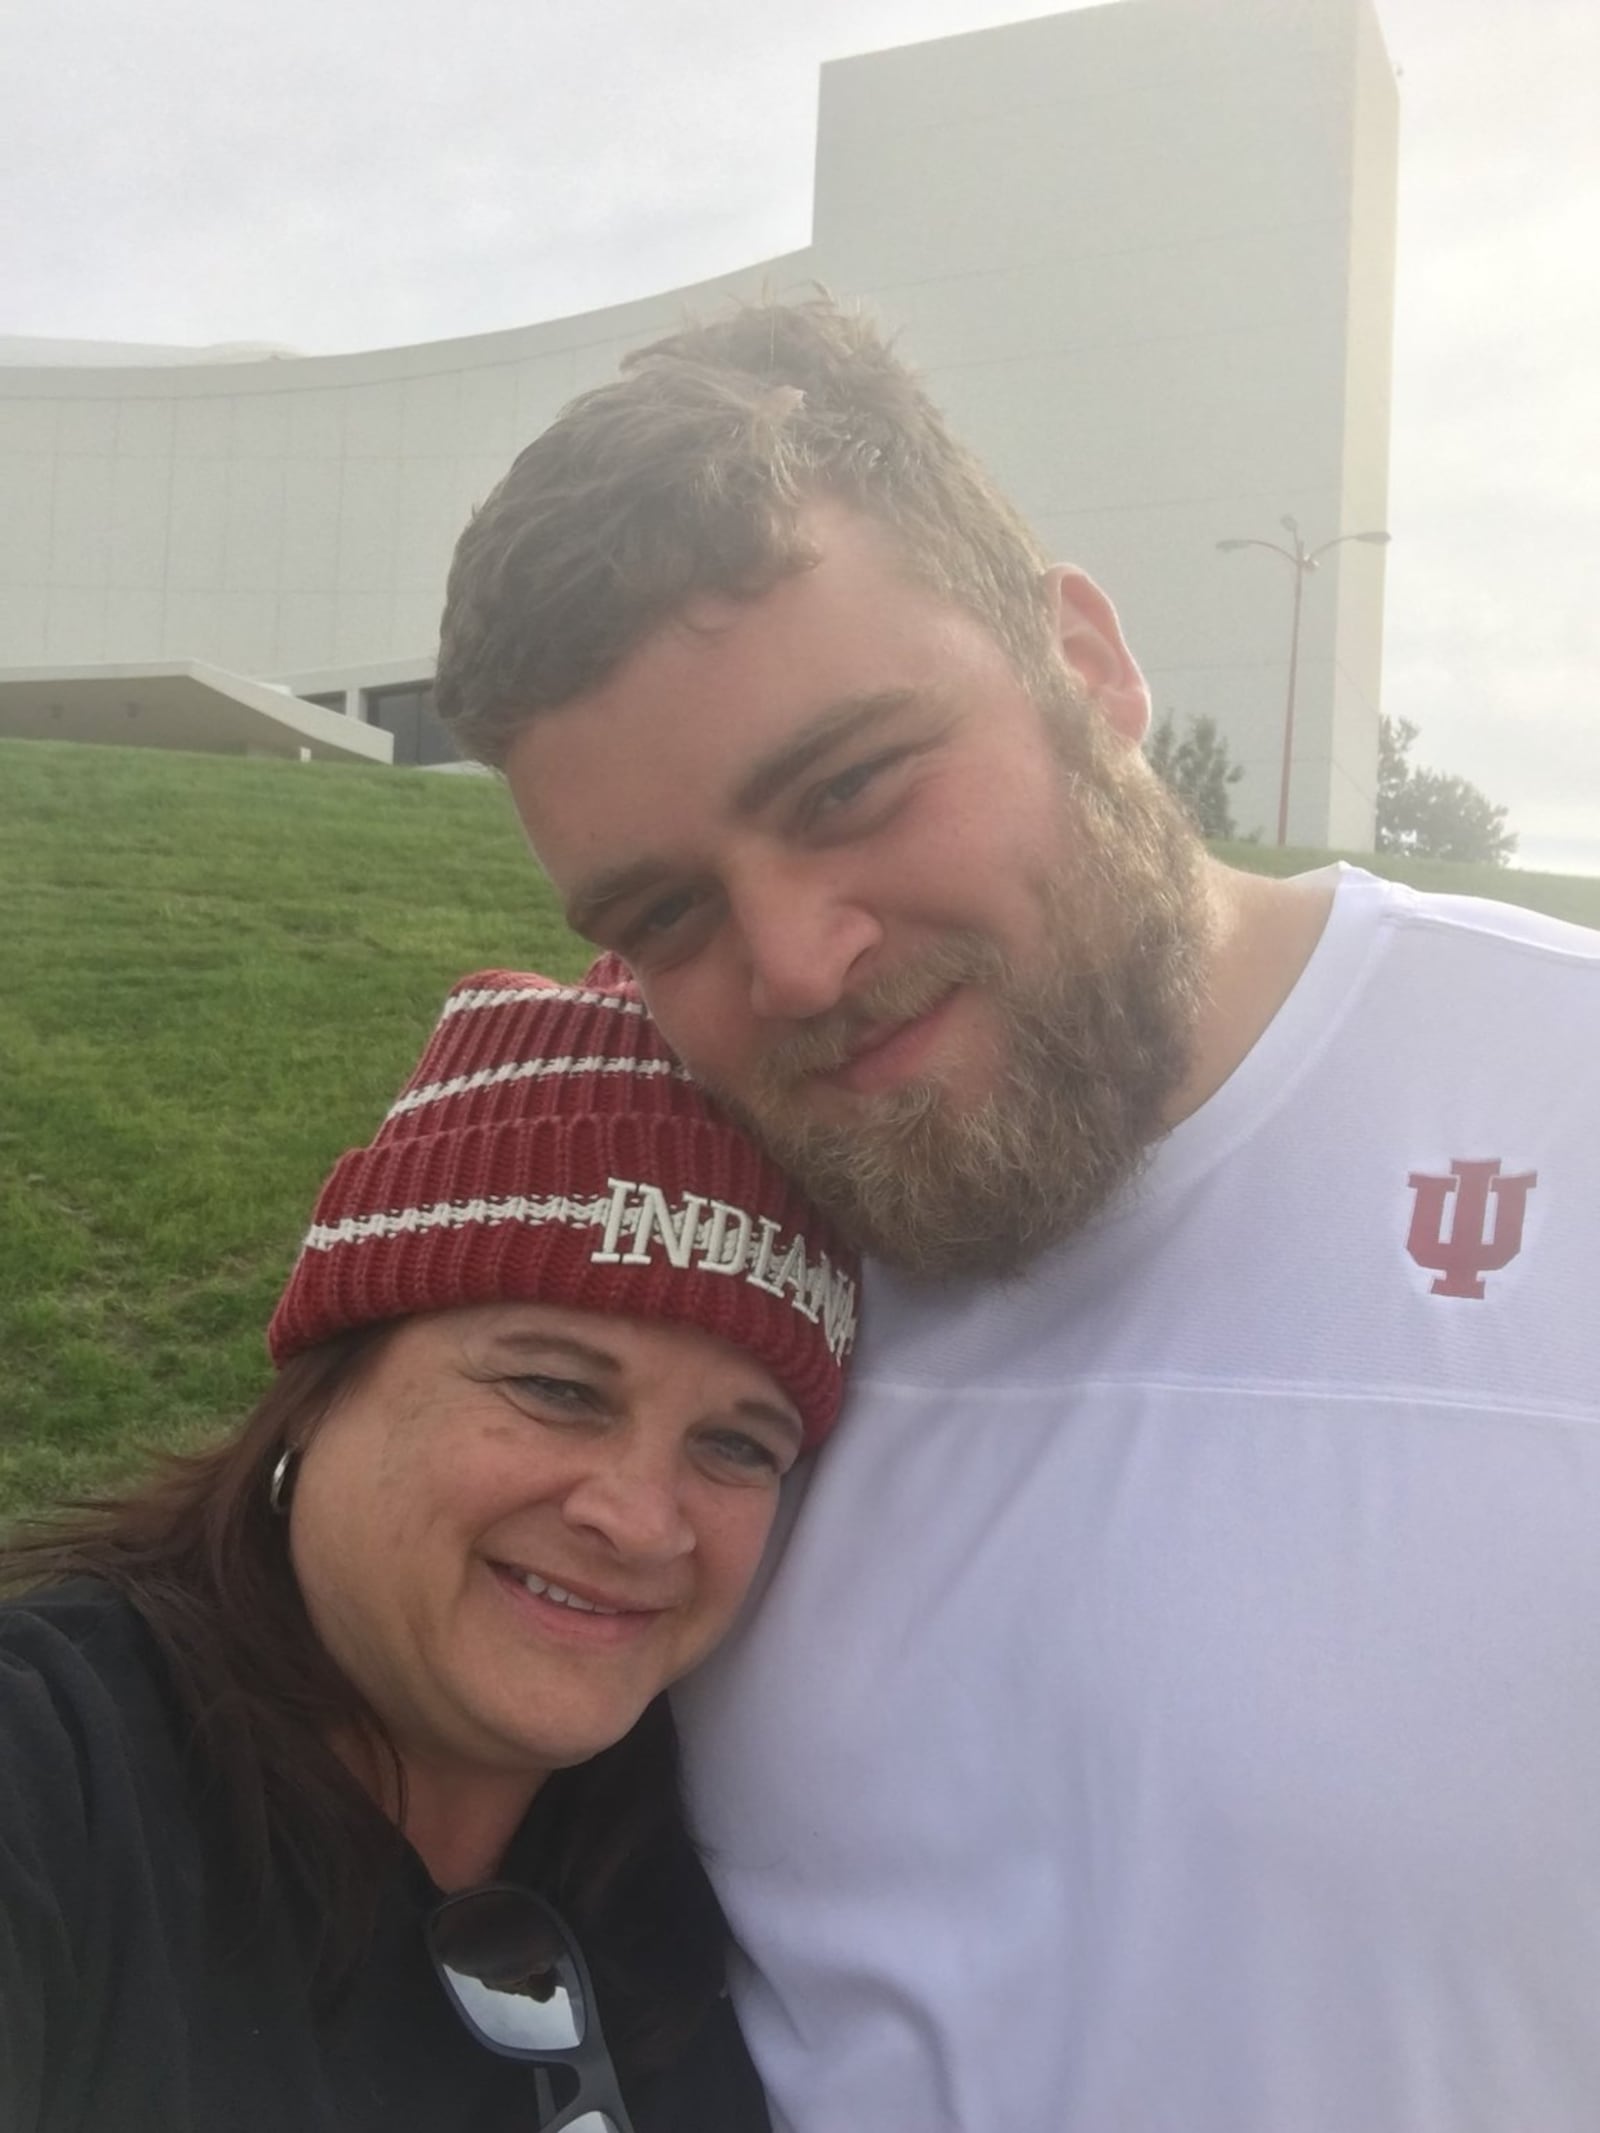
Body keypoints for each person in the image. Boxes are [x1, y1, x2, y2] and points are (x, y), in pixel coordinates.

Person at [430, 297, 1600, 2133]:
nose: (799, 964)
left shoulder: (1566, 1082)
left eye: (853, 785)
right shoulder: (684, 1287)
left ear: (1088, 664)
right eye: (665, 915)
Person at [0, 965, 859, 2133]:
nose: (642, 1519)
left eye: (738, 1446)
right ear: (319, 1392)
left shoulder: (732, 1857)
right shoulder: (56, 1777)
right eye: (556, 1387)